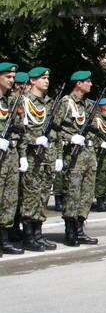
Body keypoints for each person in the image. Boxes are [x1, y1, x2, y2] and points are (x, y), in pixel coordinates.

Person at [53, 70, 101, 246]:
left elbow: (94, 129)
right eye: (88, 81)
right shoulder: (66, 103)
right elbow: (54, 129)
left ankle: (80, 229)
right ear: (78, 84)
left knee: (87, 194)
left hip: (88, 154)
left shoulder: (88, 105)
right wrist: (69, 139)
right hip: (73, 155)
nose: (91, 84)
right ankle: (70, 231)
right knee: (72, 193)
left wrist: (93, 147)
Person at [19, 66, 60, 251]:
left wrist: (58, 156)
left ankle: (38, 234)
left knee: (43, 196)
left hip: (48, 156)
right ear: (32, 81)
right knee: (31, 197)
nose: (46, 81)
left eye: (48, 78)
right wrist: (31, 142)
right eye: (42, 78)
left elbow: (56, 132)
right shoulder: (23, 101)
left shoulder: (49, 103)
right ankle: (28, 237)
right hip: (31, 157)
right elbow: (19, 131)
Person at [0, 62, 24, 255]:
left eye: (13, 77)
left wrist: (21, 155)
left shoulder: (11, 101)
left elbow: (20, 129)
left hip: (10, 155)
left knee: (9, 199)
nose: (12, 80)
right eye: (8, 76)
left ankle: (4, 239)